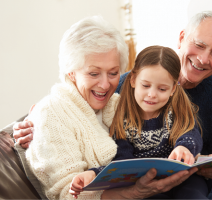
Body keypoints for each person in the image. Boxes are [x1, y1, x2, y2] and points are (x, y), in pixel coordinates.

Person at [14, 11, 212, 200]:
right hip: (145, 186)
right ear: (182, 38)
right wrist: (33, 118)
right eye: (199, 45)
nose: (204, 59)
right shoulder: (126, 87)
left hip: (192, 180)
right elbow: (77, 96)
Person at [20, 16, 197, 200]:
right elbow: (68, 195)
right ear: (71, 72)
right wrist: (133, 193)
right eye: (94, 73)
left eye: (113, 73)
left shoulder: (118, 103)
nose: (105, 85)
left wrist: (192, 160)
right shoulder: (51, 114)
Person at [70, 45, 208, 199]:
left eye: (162, 89)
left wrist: (184, 147)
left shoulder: (176, 110)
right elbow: (122, 163)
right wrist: (94, 173)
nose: (152, 94)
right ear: (134, 80)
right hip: (150, 186)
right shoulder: (124, 119)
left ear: (173, 89)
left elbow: (191, 134)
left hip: (185, 180)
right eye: (146, 85)